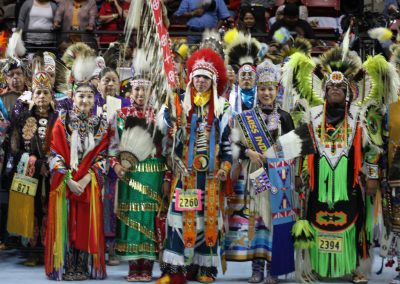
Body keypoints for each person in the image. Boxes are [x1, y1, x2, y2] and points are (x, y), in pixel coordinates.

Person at [264, 46, 396, 282]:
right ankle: (317, 265)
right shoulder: (313, 116)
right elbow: (298, 145)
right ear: (324, 92)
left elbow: (373, 148)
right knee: (317, 220)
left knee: (354, 222)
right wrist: (289, 168)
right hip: (318, 182)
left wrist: (373, 176)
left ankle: (355, 266)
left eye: (340, 87)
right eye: (331, 87)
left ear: (348, 92)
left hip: (350, 183)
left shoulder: (358, 116)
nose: (335, 89)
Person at [157, 47, 232, 284]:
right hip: (185, 174)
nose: (200, 81)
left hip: (210, 177)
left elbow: (228, 143)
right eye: (197, 77)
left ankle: (203, 268)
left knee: (207, 219)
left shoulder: (223, 108)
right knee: (179, 219)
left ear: (213, 81)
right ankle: (174, 270)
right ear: (191, 79)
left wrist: (226, 167)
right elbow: (163, 135)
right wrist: (172, 124)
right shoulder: (178, 103)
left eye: (205, 78)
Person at [227, 60, 296, 284]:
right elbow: (234, 145)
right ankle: (257, 267)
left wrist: (280, 155)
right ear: (257, 90)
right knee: (257, 221)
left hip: (279, 177)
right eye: (263, 89)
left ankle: (273, 268)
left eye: (271, 88)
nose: (267, 93)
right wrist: (249, 152)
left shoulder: (285, 117)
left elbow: (294, 147)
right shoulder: (246, 116)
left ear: (278, 90)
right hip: (255, 175)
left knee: (275, 223)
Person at [45, 55, 108, 281]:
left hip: (87, 185)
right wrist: (68, 178)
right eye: (81, 95)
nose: (84, 100)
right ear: (72, 97)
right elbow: (54, 154)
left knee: (85, 225)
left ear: (95, 100)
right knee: (68, 224)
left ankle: (83, 265)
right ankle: (67, 265)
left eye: (89, 96)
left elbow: (103, 157)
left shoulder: (102, 125)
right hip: (67, 184)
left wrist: (86, 179)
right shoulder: (62, 122)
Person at [108, 48, 168, 281]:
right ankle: (134, 267)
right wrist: (117, 167)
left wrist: (166, 177)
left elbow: (168, 148)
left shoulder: (160, 116)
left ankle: (148, 267)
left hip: (154, 174)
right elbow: (112, 146)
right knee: (131, 220)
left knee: (150, 219)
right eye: (137, 89)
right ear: (130, 91)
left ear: (151, 91)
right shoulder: (120, 115)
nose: (141, 93)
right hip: (129, 175)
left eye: (145, 89)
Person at [7, 70, 58, 266]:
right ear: (32, 95)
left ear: (51, 95)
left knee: (50, 210)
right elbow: (14, 149)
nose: (42, 97)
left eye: (46, 93)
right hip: (30, 174)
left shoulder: (59, 119)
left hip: (53, 172)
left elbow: (65, 146)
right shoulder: (23, 118)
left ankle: (50, 250)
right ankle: (32, 251)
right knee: (33, 210)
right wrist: (34, 162)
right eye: (38, 93)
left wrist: (51, 164)